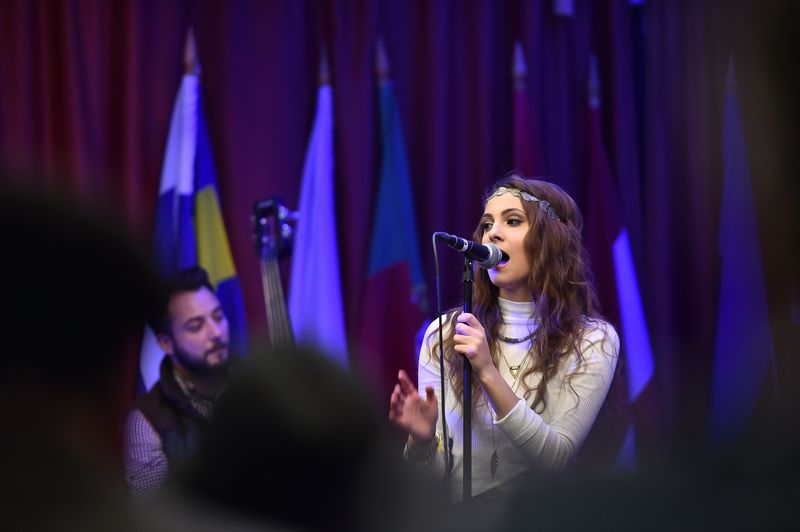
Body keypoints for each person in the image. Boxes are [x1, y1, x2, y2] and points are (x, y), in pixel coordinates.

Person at [388, 175, 620, 501]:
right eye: (487, 224)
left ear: (550, 240)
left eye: (512, 221)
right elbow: (434, 481)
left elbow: (554, 461)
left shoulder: (592, 340)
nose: (492, 233)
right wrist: (422, 440)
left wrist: (487, 371)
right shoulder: (447, 333)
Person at [123, 266, 234, 499]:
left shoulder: (257, 386)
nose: (216, 333)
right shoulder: (144, 421)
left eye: (218, 317)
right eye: (196, 326)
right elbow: (157, 511)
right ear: (166, 343)